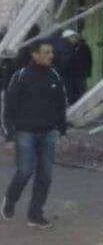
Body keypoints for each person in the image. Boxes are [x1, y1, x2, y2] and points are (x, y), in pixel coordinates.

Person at [1, 39, 68, 229]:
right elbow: (9, 107)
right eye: (46, 52)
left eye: (51, 52)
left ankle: (35, 214)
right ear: (34, 54)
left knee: (45, 175)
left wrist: (62, 131)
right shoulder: (20, 76)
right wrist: (9, 135)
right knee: (25, 171)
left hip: (48, 133)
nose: (51, 55)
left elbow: (61, 104)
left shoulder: (54, 75)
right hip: (25, 133)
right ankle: (10, 199)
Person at [61, 29, 93, 105]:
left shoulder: (83, 47)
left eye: (74, 37)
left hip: (80, 74)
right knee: (70, 94)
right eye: (70, 38)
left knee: (81, 93)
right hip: (68, 75)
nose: (73, 39)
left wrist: (87, 72)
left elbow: (88, 60)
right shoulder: (65, 48)